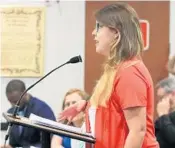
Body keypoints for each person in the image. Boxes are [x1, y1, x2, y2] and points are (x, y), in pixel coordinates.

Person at [58, 2, 159, 148]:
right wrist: (86, 106)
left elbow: (138, 131)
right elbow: (115, 110)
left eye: (99, 27)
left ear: (116, 33)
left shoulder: (129, 72)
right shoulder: (115, 69)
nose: (94, 33)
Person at [3, 79, 56, 148]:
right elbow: (14, 143)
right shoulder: (11, 112)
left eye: (16, 101)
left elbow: (51, 139)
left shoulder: (41, 109)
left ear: (25, 93)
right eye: (10, 101)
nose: (13, 105)